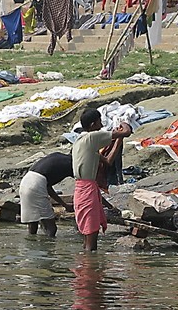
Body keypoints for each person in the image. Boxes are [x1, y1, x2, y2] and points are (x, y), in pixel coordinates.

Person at [72, 108, 132, 251]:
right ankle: (91, 270)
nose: (102, 124)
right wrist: (124, 122)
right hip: (87, 191)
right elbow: (127, 131)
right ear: (93, 124)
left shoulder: (81, 142)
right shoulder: (92, 137)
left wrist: (118, 139)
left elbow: (108, 161)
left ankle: (86, 270)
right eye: (99, 121)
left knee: (88, 234)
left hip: (82, 190)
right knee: (92, 236)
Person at [19, 152, 74, 237]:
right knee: (51, 228)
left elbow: (48, 188)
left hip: (25, 182)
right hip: (36, 184)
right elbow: (84, 185)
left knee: (33, 223)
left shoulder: (58, 156)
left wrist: (64, 205)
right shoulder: (71, 163)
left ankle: (30, 248)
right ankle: (48, 248)